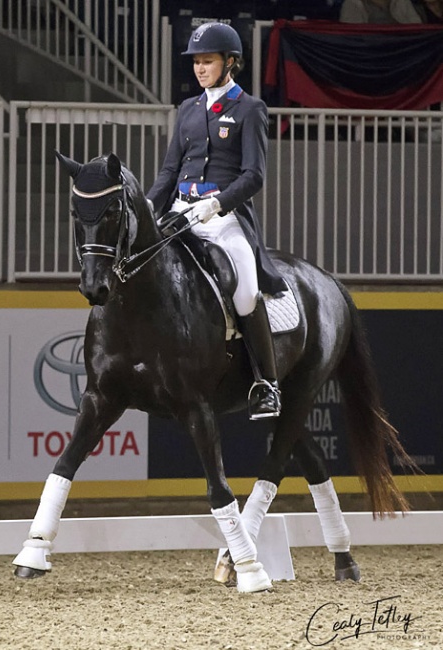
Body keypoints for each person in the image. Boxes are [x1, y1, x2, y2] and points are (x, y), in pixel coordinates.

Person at [146, 22, 287, 420]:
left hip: (223, 220)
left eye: (207, 61)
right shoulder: (187, 109)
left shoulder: (250, 109)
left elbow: (254, 175)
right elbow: (168, 172)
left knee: (245, 292)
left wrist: (218, 204)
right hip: (180, 212)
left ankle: (266, 385)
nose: (200, 68)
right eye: (196, 62)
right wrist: (148, 208)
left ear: (230, 63)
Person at [339, 0, 423, 22]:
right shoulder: (352, 3)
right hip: (368, 56)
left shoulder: (402, 1)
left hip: (402, 52)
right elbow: (351, 39)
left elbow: (417, 30)